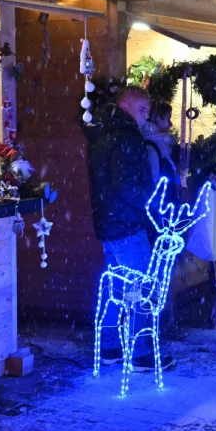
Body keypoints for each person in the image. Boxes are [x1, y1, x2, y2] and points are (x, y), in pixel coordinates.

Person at [85, 87, 173, 373]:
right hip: (128, 225)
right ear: (125, 104)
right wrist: (153, 205)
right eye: (143, 109)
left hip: (109, 224)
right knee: (142, 289)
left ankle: (109, 347)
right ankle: (141, 352)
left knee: (118, 289)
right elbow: (126, 185)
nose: (146, 116)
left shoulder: (102, 134)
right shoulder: (125, 137)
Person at [142, 101, 178, 185]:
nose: (171, 124)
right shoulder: (156, 144)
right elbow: (153, 177)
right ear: (158, 118)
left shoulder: (159, 141)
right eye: (168, 119)